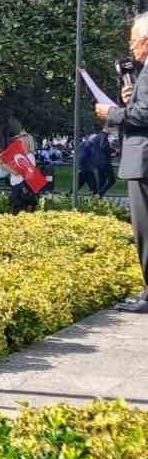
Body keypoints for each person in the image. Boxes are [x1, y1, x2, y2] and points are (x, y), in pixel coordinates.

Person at [97, 20, 148, 311]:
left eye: (133, 41)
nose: (130, 47)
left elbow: (143, 116)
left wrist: (112, 113)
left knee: (145, 230)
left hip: (144, 160)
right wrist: (128, 102)